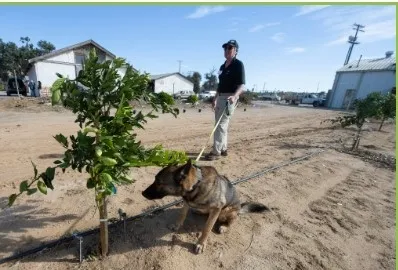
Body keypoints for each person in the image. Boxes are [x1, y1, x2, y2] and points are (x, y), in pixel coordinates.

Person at [205, 39, 246, 161]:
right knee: (222, 125)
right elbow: (220, 84)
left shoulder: (238, 64)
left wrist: (234, 96)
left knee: (220, 125)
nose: (227, 50)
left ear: (235, 51)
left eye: (230, 48)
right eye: (225, 48)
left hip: (229, 98)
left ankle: (216, 152)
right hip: (221, 96)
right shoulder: (222, 66)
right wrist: (215, 97)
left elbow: (242, 85)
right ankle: (223, 149)